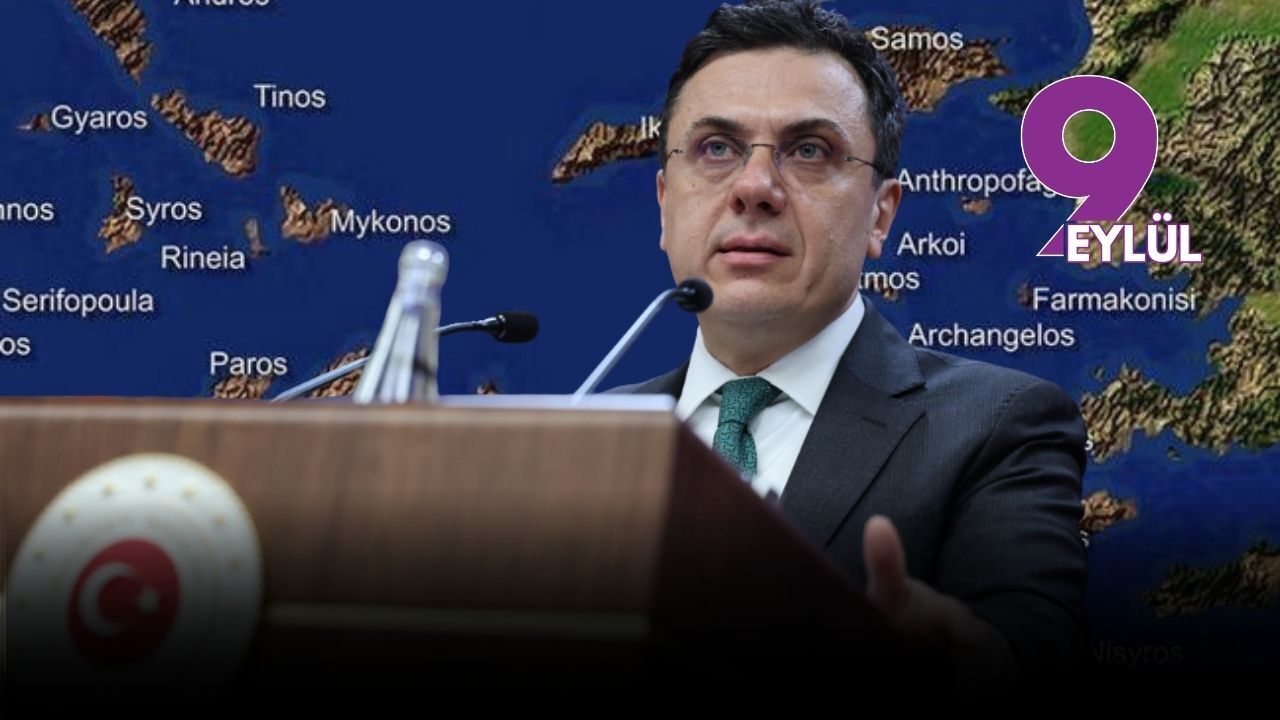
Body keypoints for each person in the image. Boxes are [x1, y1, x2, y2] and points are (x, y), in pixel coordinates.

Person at [611, 0, 1089, 685]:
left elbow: (1029, 641)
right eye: (717, 148)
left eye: (809, 150)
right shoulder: (588, 437)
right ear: (664, 202)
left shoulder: (997, 427)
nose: (754, 187)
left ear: (880, 215)